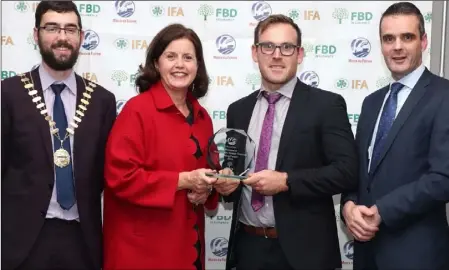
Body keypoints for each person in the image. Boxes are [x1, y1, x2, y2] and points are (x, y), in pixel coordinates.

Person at [213, 14, 358, 270]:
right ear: (255, 53)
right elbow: (235, 171)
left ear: (299, 54)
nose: (276, 55)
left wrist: (286, 181)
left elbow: (346, 172)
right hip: (249, 248)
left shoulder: (326, 105)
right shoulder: (238, 110)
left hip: (306, 254)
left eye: (286, 47)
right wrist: (227, 182)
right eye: (268, 46)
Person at [1, 1, 116, 269]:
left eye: (70, 29)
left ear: (81, 37)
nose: (62, 37)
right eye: (52, 28)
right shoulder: (8, 94)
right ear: (36, 34)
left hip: (82, 240)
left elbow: (106, 173)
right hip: (21, 242)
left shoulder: (102, 101)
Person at [340, 2, 449, 269]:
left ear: (423, 41)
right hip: (366, 253)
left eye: (407, 37)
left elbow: (443, 178)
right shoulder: (371, 102)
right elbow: (358, 172)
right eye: (389, 39)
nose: (397, 46)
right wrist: (348, 206)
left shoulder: (444, 96)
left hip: (417, 256)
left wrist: (383, 212)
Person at [103, 23, 219, 270]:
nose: (180, 64)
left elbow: (209, 174)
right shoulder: (137, 110)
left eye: (188, 57)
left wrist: (210, 188)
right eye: (171, 56)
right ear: (156, 63)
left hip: (190, 247)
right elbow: (120, 178)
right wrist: (183, 180)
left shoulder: (202, 117)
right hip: (143, 253)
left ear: (197, 66)